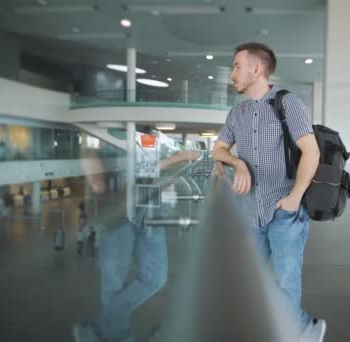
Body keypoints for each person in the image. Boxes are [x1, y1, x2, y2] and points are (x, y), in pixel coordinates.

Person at [212, 42, 325, 341]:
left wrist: (294, 198)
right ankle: (301, 327)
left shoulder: (289, 104)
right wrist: (238, 163)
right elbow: (218, 149)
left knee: (287, 282)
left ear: (257, 68)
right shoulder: (237, 113)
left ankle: (296, 333)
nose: (232, 73)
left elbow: (311, 152)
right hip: (250, 211)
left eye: (237, 66)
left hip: (285, 211)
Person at [73, 139, 200, 342]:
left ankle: (97, 329)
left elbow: (183, 158)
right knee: (114, 284)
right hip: (114, 211)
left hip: (149, 208)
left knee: (155, 277)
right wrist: (98, 182)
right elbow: (89, 148)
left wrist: (168, 164)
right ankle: (118, 336)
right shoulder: (113, 129)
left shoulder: (157, 134)